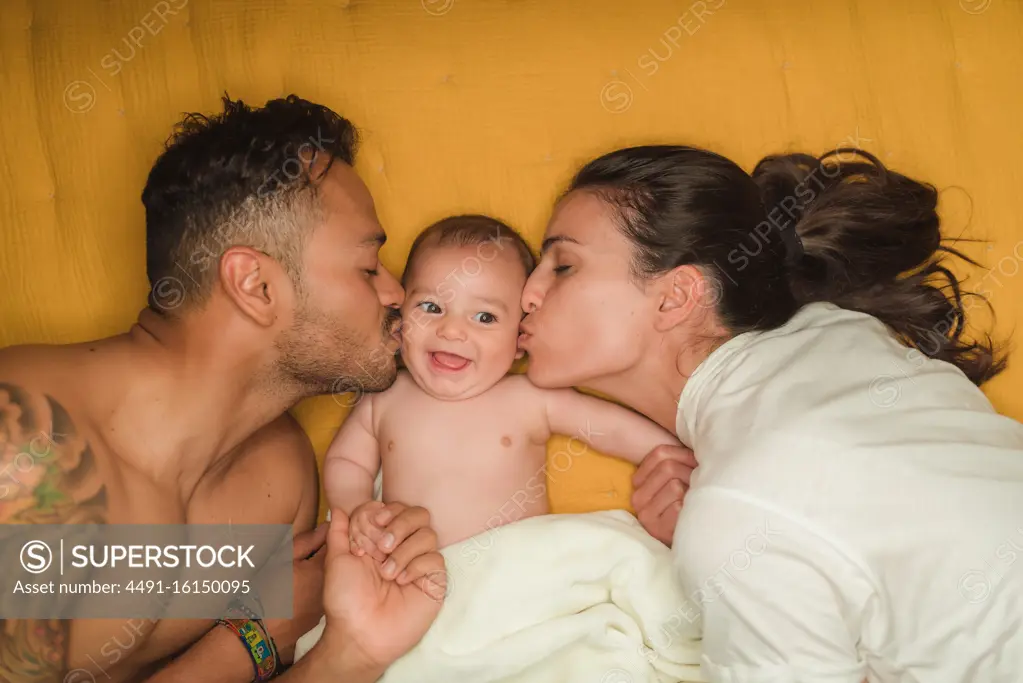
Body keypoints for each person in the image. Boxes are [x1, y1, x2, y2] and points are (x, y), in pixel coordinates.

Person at [518, 145, 1023, 681]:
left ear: (675, 297)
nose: (527, 292)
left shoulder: (742, 508)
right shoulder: (845, 331)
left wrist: (722, 530)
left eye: (563, 266)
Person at [0, 95, 442, 682]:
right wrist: (256, 637)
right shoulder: (23, 443)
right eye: (369, 267)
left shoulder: (277, 479)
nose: (397, 296)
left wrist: (353, 651)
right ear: (255, 285)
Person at [324, 214, 685, 554]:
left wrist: (688, 461)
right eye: (431, 307)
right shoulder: (385, 395)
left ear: (518, 340)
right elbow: (346, 461)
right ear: (400, 320)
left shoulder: (529, 398)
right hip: (409, 577)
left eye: (485, 317)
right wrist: (357, 507)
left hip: (511, 570)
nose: (451, 329)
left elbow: (613, 429)